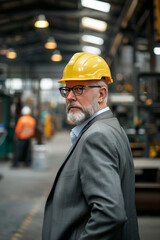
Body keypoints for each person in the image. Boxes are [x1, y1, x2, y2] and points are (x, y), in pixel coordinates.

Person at [42, 52, 140, 240]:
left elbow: (110, 213)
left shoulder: (97, 136)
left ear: (102, 94)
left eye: (78, 89)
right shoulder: (112, 128)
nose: (70, 97)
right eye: (66, 90)